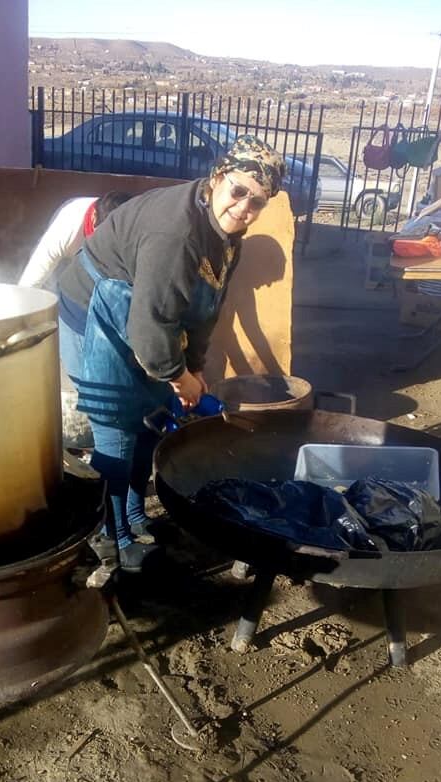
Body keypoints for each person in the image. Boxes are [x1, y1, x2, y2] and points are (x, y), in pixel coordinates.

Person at [57, 134, 286, 573]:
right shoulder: (176, 233)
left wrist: (193, 368)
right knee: (116, 425)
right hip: (92, 309)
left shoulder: (227, 234)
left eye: (257, 202)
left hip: (143, 313)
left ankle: (135, 513)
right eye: (239, 191)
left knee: (149, 422)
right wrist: (180, 379)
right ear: (219, 178)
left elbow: (204, 309)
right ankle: (112, 536)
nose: (244, 208)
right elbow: (150, 333)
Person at [18, 191, 132, 290]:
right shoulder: (65, 228)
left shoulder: (132, 228)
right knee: (51, 287)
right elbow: (31, 280)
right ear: (93, 218)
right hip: (68, 249)